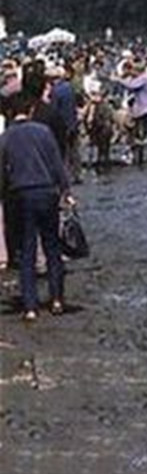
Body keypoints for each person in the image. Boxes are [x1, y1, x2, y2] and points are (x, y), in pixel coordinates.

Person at [0, 92, 70, 321]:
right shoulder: (43, 132)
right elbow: (57, 164)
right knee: (52, 247)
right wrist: (66, 191)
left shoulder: (6, 137)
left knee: (27, 250)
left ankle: (30, 307)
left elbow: (2, 172)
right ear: (30, 111)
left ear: (10, 114)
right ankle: (57, 299)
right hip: (47, 191)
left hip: (20, 194)